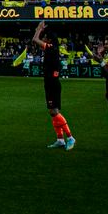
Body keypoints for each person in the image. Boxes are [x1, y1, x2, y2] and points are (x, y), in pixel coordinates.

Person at [32, 21, 75, 150]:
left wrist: (39, 29)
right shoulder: (53, 48)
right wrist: (38, 30)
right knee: (52, 112)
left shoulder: (51, 48)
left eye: (44, 38)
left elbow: (35, 40)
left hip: (52, 83)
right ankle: (60, 139)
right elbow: (36, 41)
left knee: (54, 111)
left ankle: (70, 137)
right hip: (51, 82)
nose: (42, 40)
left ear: (49, 40)